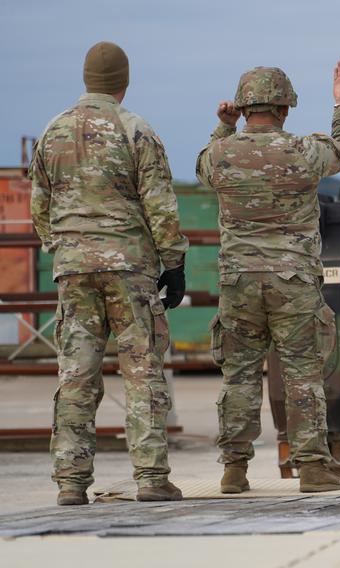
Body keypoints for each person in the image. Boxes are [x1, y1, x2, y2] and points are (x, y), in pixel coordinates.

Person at [29, 41, 188, 505]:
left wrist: (62, 246)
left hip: (73, 269)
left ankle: (71, 482)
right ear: (124, 81)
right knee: (141, 369)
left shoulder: (52, 131)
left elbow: (40, 204)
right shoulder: (135, 129)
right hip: (129, 268)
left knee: (76, 373)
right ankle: (151, 478)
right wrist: (173, 263)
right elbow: (160, 204)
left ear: (86, 79)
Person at [196, 61, 340, 493]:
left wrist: (223, 128)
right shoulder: (304, 152)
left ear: (244, 107)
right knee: (303, 373)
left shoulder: (220, 153)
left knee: (239, 375)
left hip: (239, 283)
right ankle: (311, 469)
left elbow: (203, 170)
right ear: (285, 108)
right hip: (293, 283)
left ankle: (234, 469)